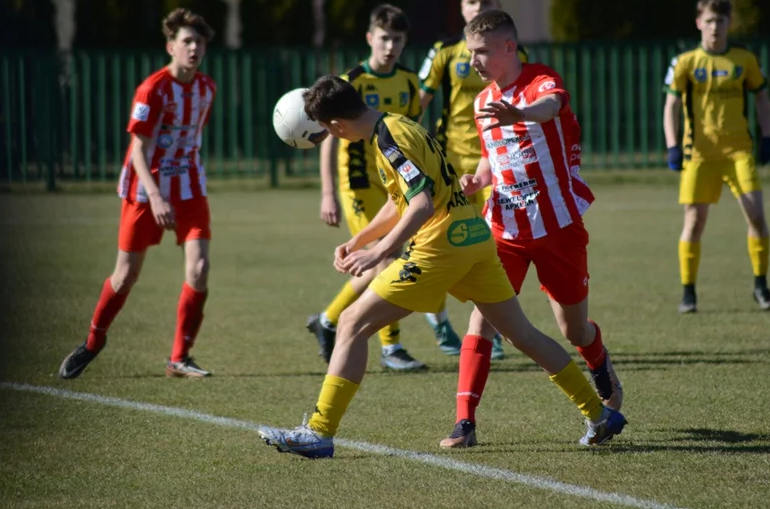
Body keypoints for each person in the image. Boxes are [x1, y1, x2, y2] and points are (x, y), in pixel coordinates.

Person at [258, 76, 627, 458]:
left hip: (441, 247)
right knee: (523, 334)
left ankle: (318, 432)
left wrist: (379, 251)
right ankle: (598, 413)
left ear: (335, 127)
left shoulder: (388, 139)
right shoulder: (398, 124)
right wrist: (359, 240)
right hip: (474, 237)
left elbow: (420, 206)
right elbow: (401, 200)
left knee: (352, 323)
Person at [437, 10, 623, 448]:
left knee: (573, 330)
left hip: (558, 228)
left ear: (508, 47)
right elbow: (491, 158)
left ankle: (601, 368)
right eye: (469, 54)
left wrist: (518, 111)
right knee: (482, 320)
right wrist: (477, 179)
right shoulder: (482, 102)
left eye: (481, 52)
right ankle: (465, 422)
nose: (473, 62)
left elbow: (551, 107)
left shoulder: (541, 81)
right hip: (503, 229)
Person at [58, 8, 217, 379]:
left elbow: (190, 138)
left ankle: (179, 357)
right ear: (170, 46)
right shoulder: (152, 89)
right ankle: (94, 342)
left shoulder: (207, 88)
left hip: (190, 185)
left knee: (200, 267)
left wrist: (178, 185)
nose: (194, 48)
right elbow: (138, 151)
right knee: (125, 276)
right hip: (146, 190)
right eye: (186, 41)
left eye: (200, 42)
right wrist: (157, 196)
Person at [308, 4, 428, 371]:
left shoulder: (409, 82)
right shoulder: (352, 81)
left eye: (398, 40)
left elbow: (412, 134)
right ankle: (391, 347)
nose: (390, 46)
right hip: (358, 183)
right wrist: (328, 192)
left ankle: (327, 320)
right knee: (387, 259)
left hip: (393, 183)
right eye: (384, 38)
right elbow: (330, 138)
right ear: (370, 38)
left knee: (382, 262)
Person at [417, 0, 527, 360]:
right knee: (438, 240)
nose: (478, 8)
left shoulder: (515, 53)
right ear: (461, 7)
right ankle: (439, 316)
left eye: (486, 1)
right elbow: (418, 102)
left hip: (492, 165)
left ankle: (490, 328)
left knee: (491, 246)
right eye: (471, 1)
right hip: (448, 163)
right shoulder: (444, 52)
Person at [663, 0, 770, 314]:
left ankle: (761, 286)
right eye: (710, 21)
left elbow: (762, 98)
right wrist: (673, 145)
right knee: (695, 222)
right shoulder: (685, 62)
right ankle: (688, 292)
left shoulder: (744, 60)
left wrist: (767, 136)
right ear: (699, 22)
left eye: (721, 21)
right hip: (699, 154)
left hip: (738, 152)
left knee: (756, 215)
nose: (715, 27)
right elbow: (671, 104)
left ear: (730, 23)